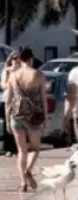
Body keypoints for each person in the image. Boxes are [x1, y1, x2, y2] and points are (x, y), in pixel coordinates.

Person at [5, 49, 46, 191]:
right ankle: (28, 170)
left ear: (20, 60)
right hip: (34, 117)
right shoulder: (38, 75)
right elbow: (43, 99)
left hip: (16, 116)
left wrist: (7, 119)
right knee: (34, 148)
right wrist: (45, 118)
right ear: (31, 59)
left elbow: (8, 101)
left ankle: (23, 183)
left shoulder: (13, 76)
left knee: (21, 151)